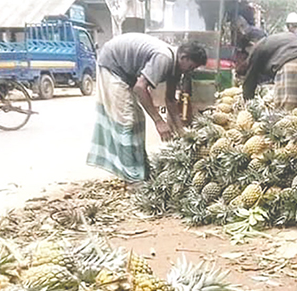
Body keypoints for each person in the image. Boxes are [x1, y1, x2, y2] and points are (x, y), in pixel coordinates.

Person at [86, 33, 207, 183]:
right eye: (191, 67)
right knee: (127, 121)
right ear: (184, 57)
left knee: (138, 119)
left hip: (125, 73)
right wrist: (159, 121)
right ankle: (132, 178)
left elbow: (170, 100)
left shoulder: (176, 67)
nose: (190, 71)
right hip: (112, 67)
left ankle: (140, 169)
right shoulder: (164, 58)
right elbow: (140, 88)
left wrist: (181, 130)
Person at [239, 32, 297, 110]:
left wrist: (247, 106)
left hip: (294, 65)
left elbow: (249, 82)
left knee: (286, 116)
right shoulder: (275, 41)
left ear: (251, 44)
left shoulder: (258, 47)